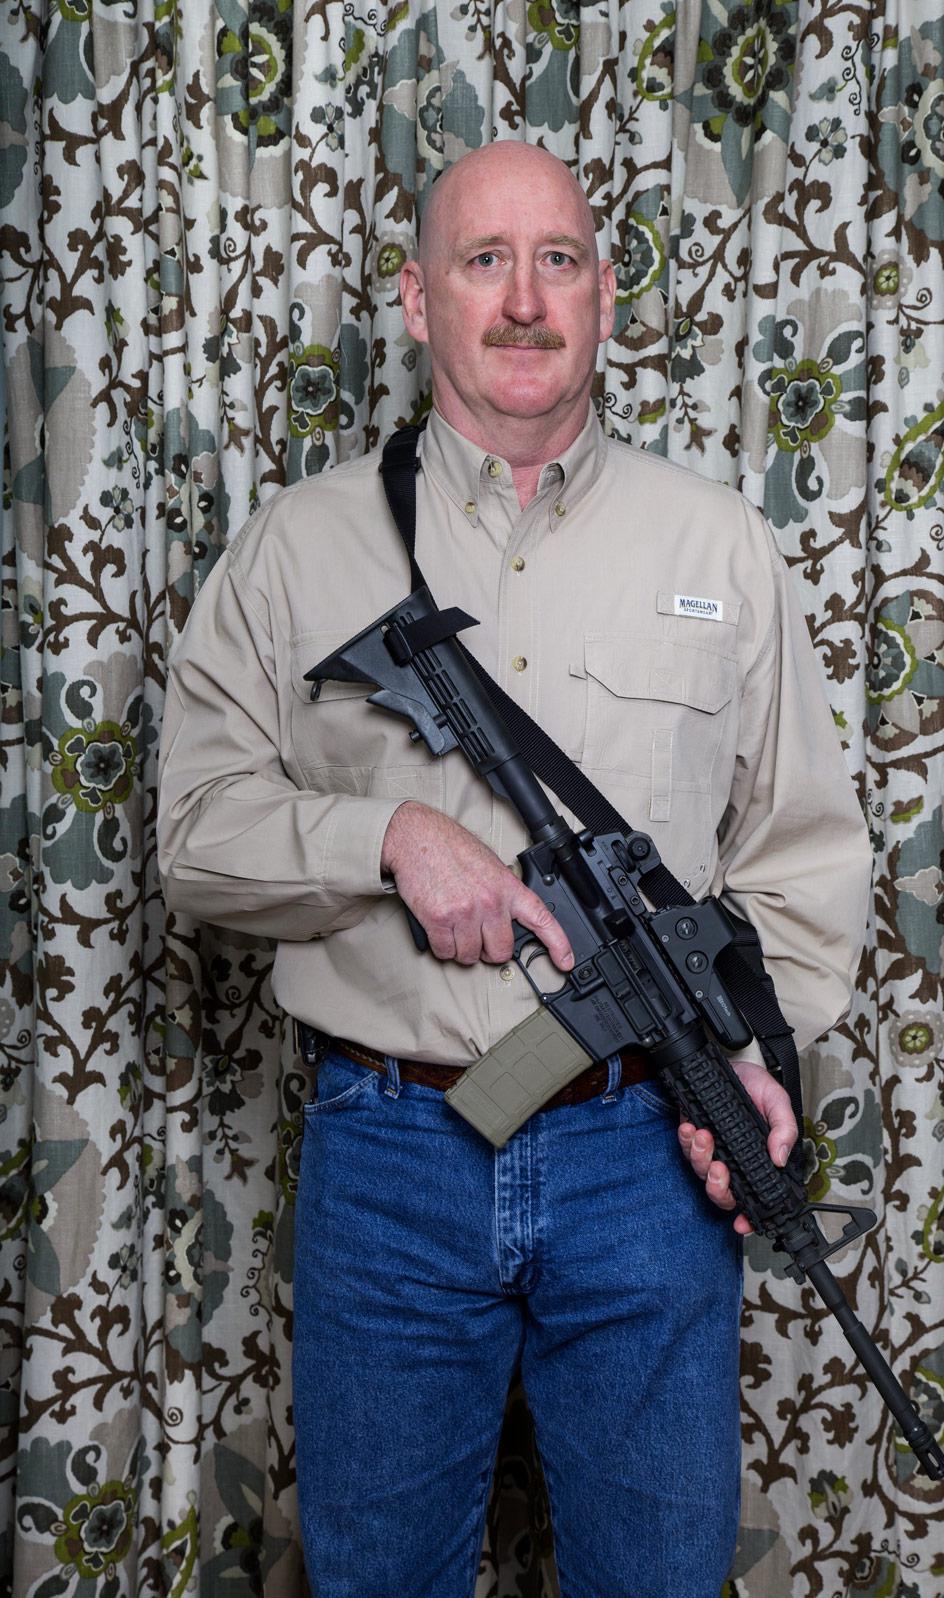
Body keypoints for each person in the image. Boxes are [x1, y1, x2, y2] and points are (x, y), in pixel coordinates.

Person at [158, 141, 871, 1597]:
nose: (526, 297)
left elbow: (798, 858)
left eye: (559, 259)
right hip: (392, 1146)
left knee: (661, 1576)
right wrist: (382, 838)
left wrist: (747, 1061)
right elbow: (195, 834)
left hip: (643, 1159)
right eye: (484, 261)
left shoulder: (717, 547)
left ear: (606, 295)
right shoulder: (300, 551)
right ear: (417, 302)